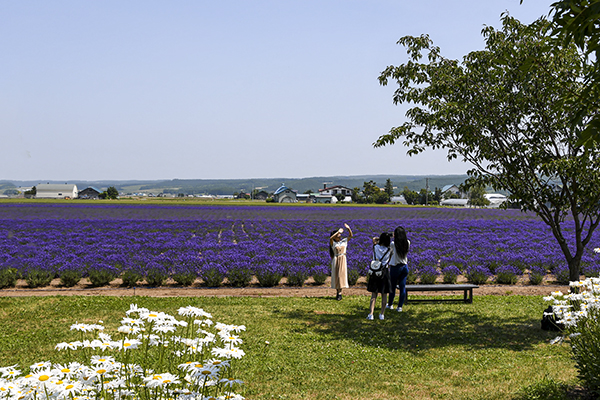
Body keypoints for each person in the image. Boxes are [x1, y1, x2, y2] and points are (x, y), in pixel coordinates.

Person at [367, 232, 392, 320]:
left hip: (375, 270)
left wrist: (379, 239)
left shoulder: (375, 247)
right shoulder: (389, 249)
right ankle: (382, 314)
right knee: (384, 294)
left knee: (374, 294)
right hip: (384, 271)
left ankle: (371, 314)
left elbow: (374, 239)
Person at [388, 226, 410, 312]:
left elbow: (389, 251)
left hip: (395, 268)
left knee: (392, 287)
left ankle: (390, 304)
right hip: (404, 267)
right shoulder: (407, 242)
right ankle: (400, 307)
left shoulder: (393, 244)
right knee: (402, 287)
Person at [329, 223, 353, 300]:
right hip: (336, 259)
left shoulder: (344, 241)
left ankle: (340, 293)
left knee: (341, 276)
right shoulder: (333, 243)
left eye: (339, 234)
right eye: (338, 235)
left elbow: (350, 236)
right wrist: (338, 232)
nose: (339, 235)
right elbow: (330, 238)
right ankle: (337, 292)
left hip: (343, 259)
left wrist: (348, 228)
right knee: (336, 276)